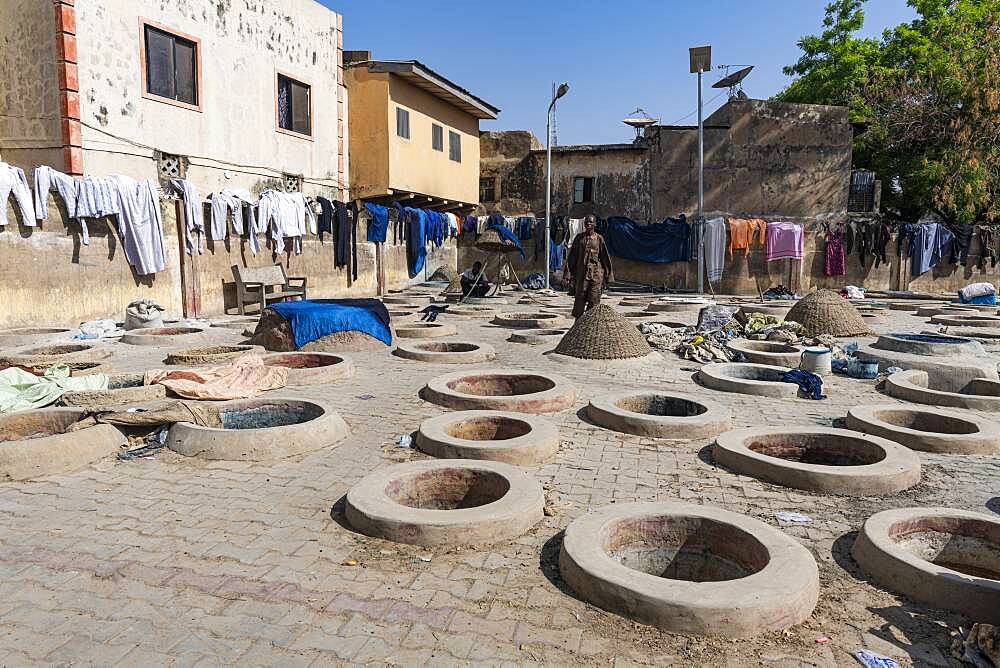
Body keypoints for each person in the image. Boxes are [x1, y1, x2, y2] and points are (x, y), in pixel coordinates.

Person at [565, 214, 613, 317]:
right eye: (586, 222)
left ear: (595, 224)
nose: (588, 224)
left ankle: (589, 324)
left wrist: (608, 276)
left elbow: (605, 257)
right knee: (579, 301)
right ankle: (578, 325)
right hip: (581, 276)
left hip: (596, 276)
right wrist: (568, 274)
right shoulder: (579, 238)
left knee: (594, 301)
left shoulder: (599, 239)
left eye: (591, 222)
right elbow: (572, 257)